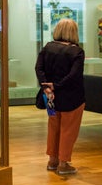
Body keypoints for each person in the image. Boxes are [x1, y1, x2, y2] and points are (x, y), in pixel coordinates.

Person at [35, 18, 85, 175]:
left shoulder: (48, 47)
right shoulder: (76, 51)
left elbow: (39, 68)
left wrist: (46, 86)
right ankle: (63, 163)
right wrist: (57, 85)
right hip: (71, 98)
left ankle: (52, 160)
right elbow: (74, 75)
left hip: (50, 97)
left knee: (53, 127)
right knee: (68, 129)